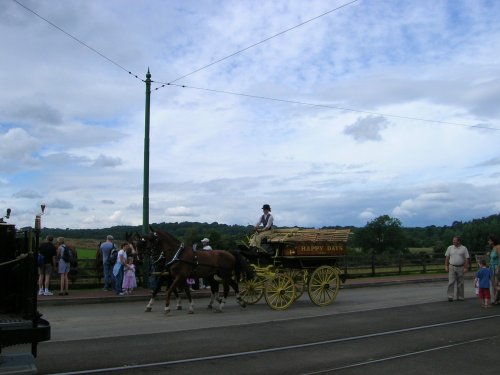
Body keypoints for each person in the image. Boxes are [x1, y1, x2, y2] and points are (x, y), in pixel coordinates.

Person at [444, 236, 470, 302]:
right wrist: (446, 266)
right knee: (451, 282)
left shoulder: (464, 248)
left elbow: (467, 258)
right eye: (453, 240)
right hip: (452, 266)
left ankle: (460, 297)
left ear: (459, 241)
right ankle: (450, 296)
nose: (453, 241)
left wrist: (466, 267)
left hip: (461, 267)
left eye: (455, 240)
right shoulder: (450, 247)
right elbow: (447, 257)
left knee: (460, 283)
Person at [486, 235, 500, 304]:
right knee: (493, 284)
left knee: (496, 284)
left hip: (496, 267)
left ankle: (496, 299)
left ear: (493, 241)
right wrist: (489, 255)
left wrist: (498, 268)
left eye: (489, 240)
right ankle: (495, 299)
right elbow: (493, 258)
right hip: (491, 268)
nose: (488, 241)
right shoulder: (493, 248)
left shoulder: (498, 247)